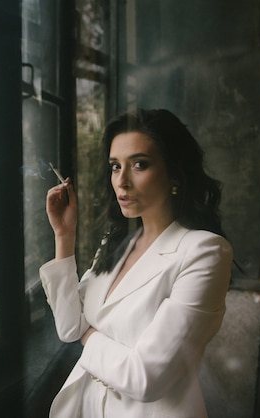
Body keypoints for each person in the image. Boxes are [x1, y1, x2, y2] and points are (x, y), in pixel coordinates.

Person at [40, 108, 233, 417]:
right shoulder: (118, 241)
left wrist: (89, 336)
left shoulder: (205, 252)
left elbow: (145, 379)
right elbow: (69, 327)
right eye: (115, 167)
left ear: (174, 173)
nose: (122, 181)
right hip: (87, 408)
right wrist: (64, 235)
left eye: (139, 164)